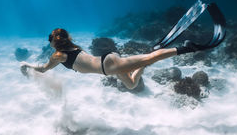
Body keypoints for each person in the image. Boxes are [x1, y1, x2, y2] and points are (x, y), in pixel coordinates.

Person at [20, 28, 198, 90]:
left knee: (151, 58)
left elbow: (43, 68)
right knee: (131, 85)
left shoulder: (58, 55)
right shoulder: (73, 47)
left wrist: (27, 66)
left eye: (48, 39)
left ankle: (186, 48)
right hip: (108, 64)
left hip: (109, 66)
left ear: (54, 40)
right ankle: (142, 66)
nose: (48, 42)